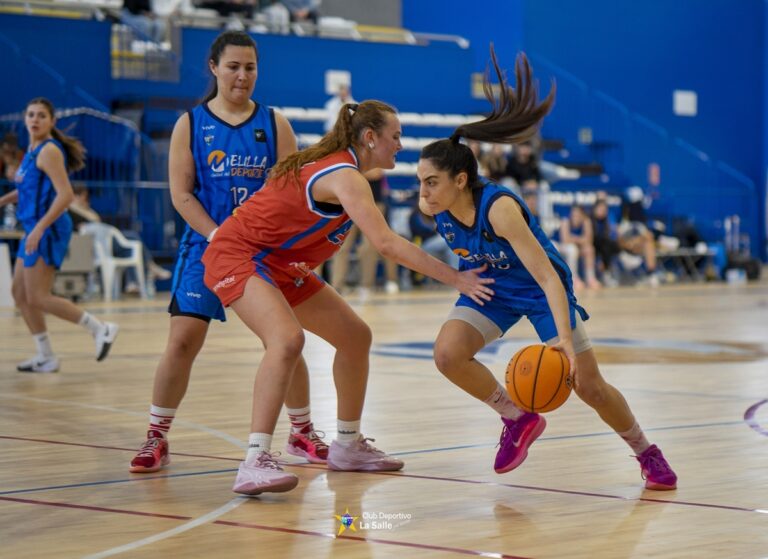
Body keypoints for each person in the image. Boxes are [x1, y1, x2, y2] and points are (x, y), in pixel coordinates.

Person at [201, 99, 494, 496]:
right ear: (370, 137)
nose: (400, 145)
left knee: (355, 337)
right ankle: (254, 460)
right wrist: (456, 278)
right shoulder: (344, 175)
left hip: (281, 263)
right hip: (239, 254)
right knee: (286, 339)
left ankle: (348, 445)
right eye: (395, 136)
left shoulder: (348, 173)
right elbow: (386, 244)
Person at [416, 48, 677, 491]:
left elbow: (547, 277)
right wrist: (458, 278)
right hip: (492, 287)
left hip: (540, 290)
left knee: (589, 386)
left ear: (460, 181)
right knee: (447, 355)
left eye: (430, 181)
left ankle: (645, 451)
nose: (422, 192)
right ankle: (517, 418)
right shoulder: (433, 206)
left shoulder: (498, 209)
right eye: (421, 181)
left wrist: (564, 343)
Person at [129, 31, 328, 474]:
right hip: (207, 245)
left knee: (284, 338)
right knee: (182, 341)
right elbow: (181, 195)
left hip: (264, 252)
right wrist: (220, 235)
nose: (242, 75)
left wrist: (292, 245)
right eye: (233, 66)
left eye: (250, 67)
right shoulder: (190, 124)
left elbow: (291, 194)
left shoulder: (275, 124)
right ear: (214, 68)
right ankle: (156, 436)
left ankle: (301, 432)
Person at [0, 98, 119, 373]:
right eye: (31, 114)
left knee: (38, 296)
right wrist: (3, 200)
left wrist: (40, 228)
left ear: (52, 121)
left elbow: (65, 195)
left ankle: (100, 328)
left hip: (48, 228)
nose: (35, 119)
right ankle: (45, 356)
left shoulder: (49, 151)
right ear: (24, 118)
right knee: (19, 293)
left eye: (41, 115)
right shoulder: (32, 151)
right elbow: (27, 189)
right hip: (34, 227)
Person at [330, 167, 400, 297]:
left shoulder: (370, 158)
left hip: (373, 203)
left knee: (368, 247)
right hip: (349, 203)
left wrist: (352, 173)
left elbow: (376, 173)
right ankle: (337, 286)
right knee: (342, 246)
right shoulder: (348, 159)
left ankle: (366, 285)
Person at [558, 204, 600, 290]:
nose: (575, 217)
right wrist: (581, 239)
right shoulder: (565, 221)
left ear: (582, 215)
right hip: (558, 245)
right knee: (572, 249)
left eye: (578, 215)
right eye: (574, 215)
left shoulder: (586, 221)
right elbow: (565, 240)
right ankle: (574, 278)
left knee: (589, 249)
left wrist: (573, 238)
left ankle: (590, 278)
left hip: (575, 246)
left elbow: (589, 240)